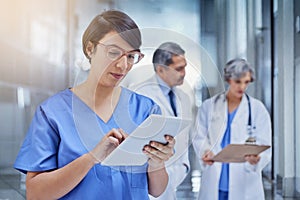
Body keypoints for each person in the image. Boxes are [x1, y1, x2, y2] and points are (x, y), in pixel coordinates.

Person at [14, 10, 175, 200]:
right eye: (114, 52)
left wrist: (157, 163)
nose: (123, 65)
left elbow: (156, 190)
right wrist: (92, 158)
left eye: (131, 56)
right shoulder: (52, 113)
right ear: (90, 49)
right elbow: (36, 194)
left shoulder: (146, 110)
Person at [192, 58, 272, 200]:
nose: (242, 87)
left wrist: (257, 159)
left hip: (245, 178)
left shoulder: (257, 109)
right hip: (216, 176)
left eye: (246, 82)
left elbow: (265, 144)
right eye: (238, 82)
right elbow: (199, 136)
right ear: (229, 80)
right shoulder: (209, 106)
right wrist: (206, 151)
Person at [130, 42, 194, 200]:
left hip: (175, 177)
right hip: (148, 181)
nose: (184, 73)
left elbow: (184, 137)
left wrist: (183, 167)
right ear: (160, 69)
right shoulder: (139, 95)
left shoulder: (183, 97)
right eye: (179, 68)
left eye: (185, 67)